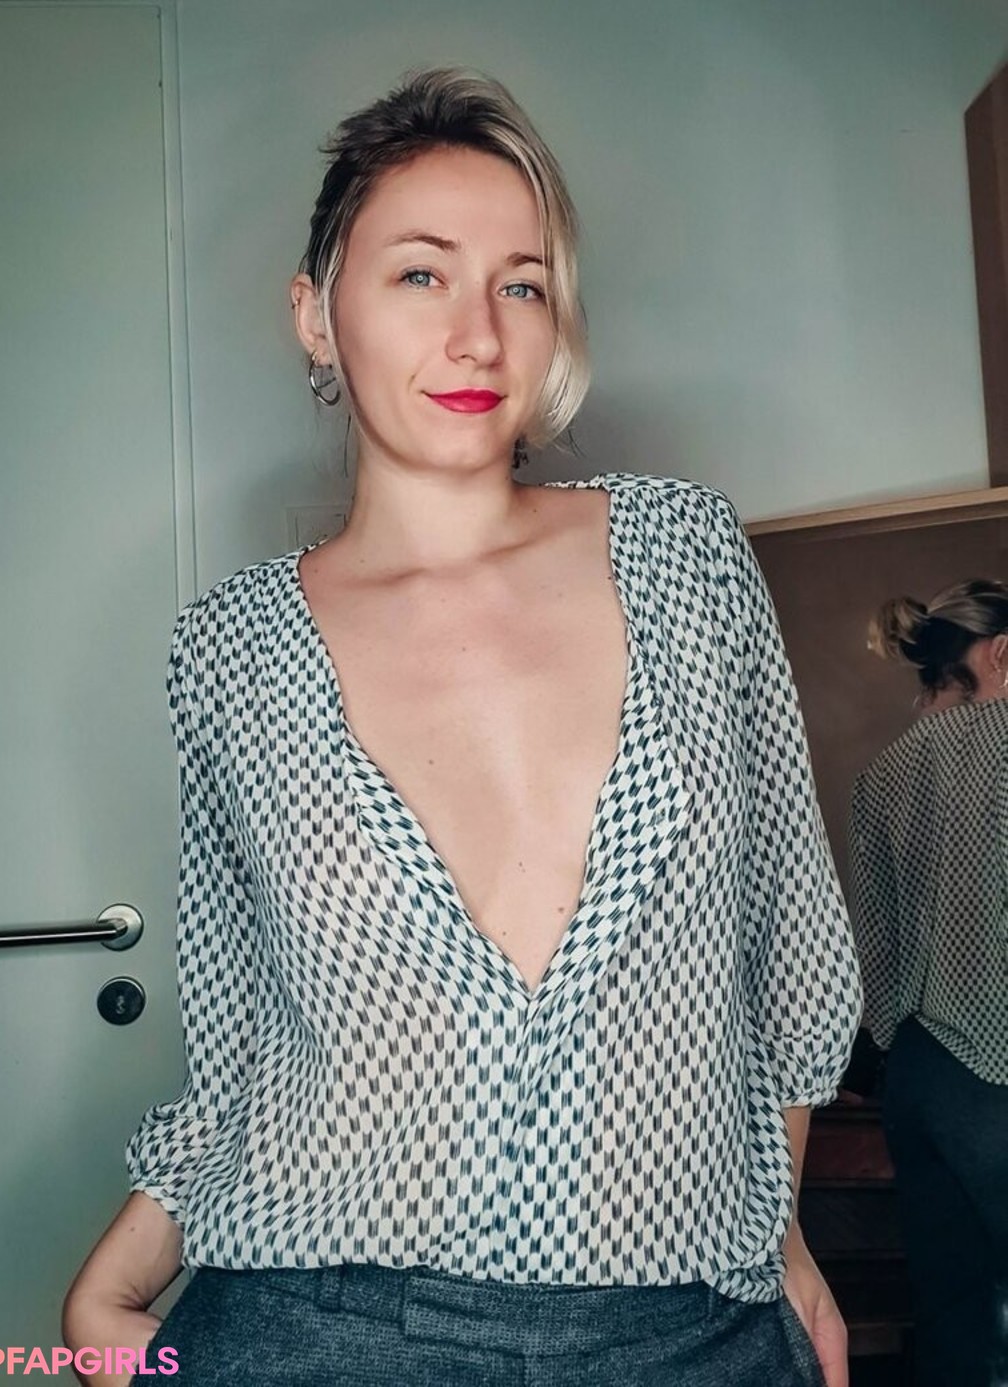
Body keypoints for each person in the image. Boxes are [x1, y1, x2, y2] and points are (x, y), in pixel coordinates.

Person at [62, 68, 861, 1387]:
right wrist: (108, 1287)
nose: (479, 334)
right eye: (421, 274)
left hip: (689, 1330)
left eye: (523, 285)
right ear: (317, 316)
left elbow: (790, 958)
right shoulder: (229, 651)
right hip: (326, 1321)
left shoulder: (687, 556)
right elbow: (242, 1043)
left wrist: (780, 1245)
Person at [849, 580, 1008, 1387]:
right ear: (1002, 652)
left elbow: (872, 949)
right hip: (998, 1069)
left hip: (917, 1074)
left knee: (951, 1317)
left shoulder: (881, 775)